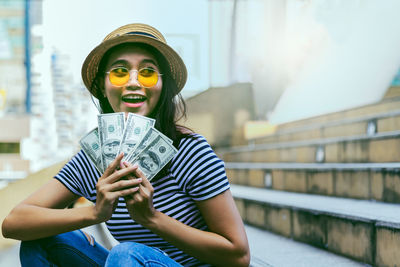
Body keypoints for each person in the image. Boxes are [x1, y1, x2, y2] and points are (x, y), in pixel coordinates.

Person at [2, 23, 250, 266]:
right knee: (40, 239)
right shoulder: (94, 159)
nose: (133, 82)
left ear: (163, 87)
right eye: (120, 72)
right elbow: (14, 222)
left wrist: (152, 218)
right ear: (102, 84)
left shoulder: (190, 152)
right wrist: (94, 213)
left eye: (147, 72)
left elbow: (238, 255)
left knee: (125, 253)